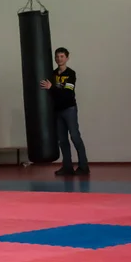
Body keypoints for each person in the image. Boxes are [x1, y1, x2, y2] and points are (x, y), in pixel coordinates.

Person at [40, 47, 90, 176]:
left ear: (67, 58)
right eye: (57, 56)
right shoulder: (53, 74)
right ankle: (67, 167)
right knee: (62, 140)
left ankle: (83, 166)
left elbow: (68, 93)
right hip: (58, 111)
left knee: (75, 137)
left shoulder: (71, 74)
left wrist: (52, 88)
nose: (59, 59)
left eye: (62, 56)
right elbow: (51, 93)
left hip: (69, 109)